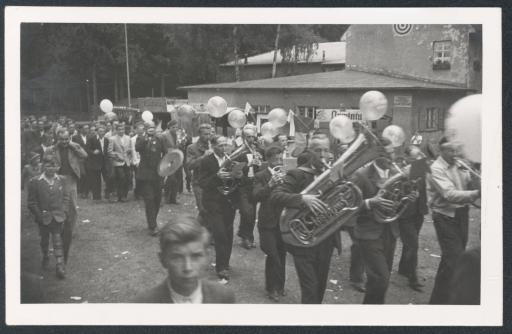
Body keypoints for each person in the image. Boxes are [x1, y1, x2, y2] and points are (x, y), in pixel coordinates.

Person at [271, 135, 340, 304]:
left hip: (326, 238)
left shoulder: (335, 172)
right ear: (309, 152)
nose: (322, 154)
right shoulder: (297, 174)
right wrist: (302, 199)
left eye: (325, 150)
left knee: (320, 287)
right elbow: (276, 195)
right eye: (318, 150)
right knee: (310, 288)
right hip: (303, 240)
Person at [349, 138, 417, 304]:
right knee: (382, 277)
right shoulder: (361, 175)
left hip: (390, 231)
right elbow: (347, 205)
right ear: (377, 154)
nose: (392, 158)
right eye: (387, 154)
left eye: (393, 153)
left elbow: (399, 201)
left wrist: (409, 198)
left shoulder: (396, 174)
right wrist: (369, 202)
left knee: (378, 280)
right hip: (368, 233)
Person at [428, 137, 480, 304]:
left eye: (456, 150)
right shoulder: (436, 169)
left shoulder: (459, 164)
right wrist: (477, 193)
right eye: (451, 150)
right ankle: (455, 302)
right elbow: (449, 195)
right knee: (457, 260)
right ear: (441, 151)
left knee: (449, 260)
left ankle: (437, 301)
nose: (455, 153)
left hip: (461, 214)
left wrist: (476, 175)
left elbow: (472, 186)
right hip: (445, 216)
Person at [133, 218, 235, 303]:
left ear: (206, 257)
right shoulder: (144, 304)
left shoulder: (224, 298)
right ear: (163, 259)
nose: (188, 268)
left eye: (196, 256)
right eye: (177, 257)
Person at [197, 135, 238, 283]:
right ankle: (222, 267)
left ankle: (224, 263)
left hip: (228, 201)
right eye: (221, 145)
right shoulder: (206, 161)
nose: (224, 148)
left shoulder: (231, 160)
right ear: (213, 146)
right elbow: (201, 183)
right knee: (220, 234)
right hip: (213, 202)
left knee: (228, 233)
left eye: (226, 145)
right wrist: (216, 176)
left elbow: (237, 180)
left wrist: (237, 174)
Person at [46, 128, 87, 264]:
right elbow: (45, 162)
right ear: (57, 138)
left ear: (69, 137)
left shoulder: (73, 146)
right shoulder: (52, 149)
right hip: (57, 178)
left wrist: (74, 146)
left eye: (66, 139)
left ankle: (70, 230)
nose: (64, 142)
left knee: (73, 207)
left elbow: (84, 155)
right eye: (61, 139)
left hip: (70, 178)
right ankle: (59, 229)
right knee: (58, 205)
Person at [27, 155, 72, 279]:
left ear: (57, 167)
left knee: (57, 239)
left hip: (58, 216)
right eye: (47, 166)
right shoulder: (35, 181)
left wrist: (64, 210)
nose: (51, 169)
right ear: (43, 166)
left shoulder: (62, 180)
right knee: (45, 240)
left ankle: (59, 265)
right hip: (43, 217)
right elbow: (31, 202)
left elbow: (66, 197)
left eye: (54, 166)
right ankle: (45, 255)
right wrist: (39, 215)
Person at [253, 145, 287, 301]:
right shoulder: (260, 175)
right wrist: (270, 185)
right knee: (273, 255)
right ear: (268, 160)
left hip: (283, 221)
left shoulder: (287, 175)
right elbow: (255, 196)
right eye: (276, 159)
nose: (279, 161)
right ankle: (271, 288)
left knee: (282, 254)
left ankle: (280, 286)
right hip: (267, 221)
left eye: (281, 158)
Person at [397, 145, 429, 291]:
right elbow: (397, 192)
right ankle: (412, 277)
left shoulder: (421, 169)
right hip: (405, 213)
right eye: (416, 156)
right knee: (413, 244)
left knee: (411, 242)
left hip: (418, 211)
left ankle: (404, 268)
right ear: (407, 158)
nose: (419, 159)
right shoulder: (400, 170)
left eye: (420, 155)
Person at [136, 122, 166, 236]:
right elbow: (137, 148)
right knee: (149, 200)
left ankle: (152, 221)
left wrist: (164, 167)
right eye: (149, 128)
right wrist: (145, 137)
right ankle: (153, 226)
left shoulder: (160, 139)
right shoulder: (141, 139)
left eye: (153, 128)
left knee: (157, 200)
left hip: (157, 174)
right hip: (145, 175)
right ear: (145, 129)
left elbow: (166, 153)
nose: (151, 130)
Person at [236, 125, 264, 249]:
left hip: (254, 184)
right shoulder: (238, 151)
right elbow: (236, 169)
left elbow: (263, 167)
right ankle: (245, 237)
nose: (251, 139)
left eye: (253, 137)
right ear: (243, 138)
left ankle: (248, 236)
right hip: (243, 185)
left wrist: (260, 163)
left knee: (252, 214)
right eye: (248, 137)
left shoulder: (258, 150)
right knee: (246, 212)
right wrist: (249, 164)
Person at [186, 123, 213, 233]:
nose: (208, 136)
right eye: (206, 134)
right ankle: (202, 233)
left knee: (211, 208)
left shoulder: (214, 145)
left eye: (210, 133)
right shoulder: (192, 148)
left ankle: (200, 231)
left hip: (212, 181)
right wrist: (204, 157)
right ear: (200, 135)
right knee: (203, 209)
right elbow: (190, 165)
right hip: (199, 182)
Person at [85, 124, 112, 201]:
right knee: (96, 180)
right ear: (97, 132)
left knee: (107, 178)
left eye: (103, 131)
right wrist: (93, 152)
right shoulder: (92, 139)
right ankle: (96, 196)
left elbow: (107, 150)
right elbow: (87, 149)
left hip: (105, 162)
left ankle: (107, 194)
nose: (102, 133)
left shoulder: (106, 140)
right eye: (100, 131)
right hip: (95, 162)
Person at [109, 123, 132, 202]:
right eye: (119, 129)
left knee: (128, 178)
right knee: (121, 178)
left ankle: (124, 195)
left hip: (127, 161)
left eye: (123, 129)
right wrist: (117, 156)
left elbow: (131, 149)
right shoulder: (112, 139)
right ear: (116, 130)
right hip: (118, 162)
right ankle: (119, 195)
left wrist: (129, 152)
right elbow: (110, 152)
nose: (121, 131)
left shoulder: (128, 138)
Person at [160, 119, 181, 204]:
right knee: (171, 178)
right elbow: (163, 147)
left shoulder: (178, 134)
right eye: (173, 127)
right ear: (169, 127)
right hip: (167, 158)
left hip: (177, 158)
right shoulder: (164, 135)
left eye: (176, 127)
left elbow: (178, 145)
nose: (175, 129)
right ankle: (167, 196)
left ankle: (173, 198)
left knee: (178, 178)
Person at [72, 124, 90, 198]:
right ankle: (82, 191)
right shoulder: (75, 137)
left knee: (88, 174)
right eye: (85, 128)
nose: (87, 130)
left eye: (88, 128)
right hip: (80, 159)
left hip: (89, 159)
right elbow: (74, 148)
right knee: (82, 174)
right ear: (81, 129)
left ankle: (86, 191)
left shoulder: (90, 137)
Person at [131, 122, 145, 200]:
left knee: (144, 177)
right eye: (139, 129)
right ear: (136, 130)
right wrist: (136, 161)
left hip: (144, 160)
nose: (141, 131)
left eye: (142, 129)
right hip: (137, 161)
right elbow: (133, 150)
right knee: (138, 177)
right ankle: (137, 192)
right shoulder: (133, 139)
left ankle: (143, 192)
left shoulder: (145, 137)